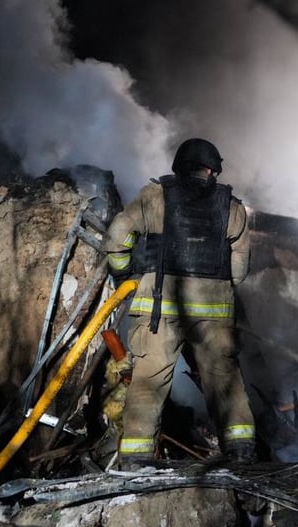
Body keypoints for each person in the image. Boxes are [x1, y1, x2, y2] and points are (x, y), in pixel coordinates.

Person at [105, 138, 257, 467]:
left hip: (160, 307)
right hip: (214, 314)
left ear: (178, 166)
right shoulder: (233, 208)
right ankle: (242, 451)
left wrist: (125, 275)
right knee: (223, 378)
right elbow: (240, 271)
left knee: (149, 379)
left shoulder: (154, 197)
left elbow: (117, 239)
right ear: (213, 170)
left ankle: (135, 458)